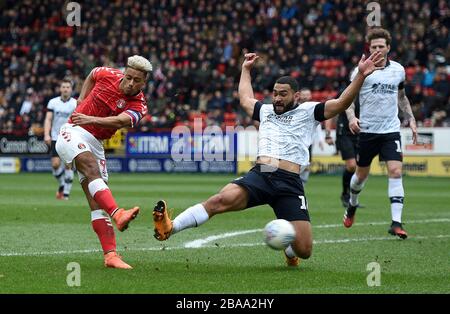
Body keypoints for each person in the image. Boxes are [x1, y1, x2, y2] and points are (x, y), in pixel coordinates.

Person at [152, 51, 384, 266]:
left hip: (290, 183)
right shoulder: (266, 111)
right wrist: (245, 69)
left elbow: (342, 103)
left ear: (295, 95)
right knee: (219, 201)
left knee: (304, 250)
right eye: (274, 93)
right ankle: (169, 228)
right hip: (263, 173)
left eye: (283, 94)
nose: (277, 99)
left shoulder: (309, 111)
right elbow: (245, 98)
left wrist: (361, 75)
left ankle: (289, 250)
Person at [56, 55, 151, 269]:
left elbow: (119, 121)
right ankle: (118, 214)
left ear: (144, 82)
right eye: (128, 77)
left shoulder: (140, 105)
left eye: (137, 80)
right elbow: (91, 74)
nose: (130, 83)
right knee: (92, 171)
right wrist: (81, 100)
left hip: (96, 141)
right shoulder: (108, 73)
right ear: (124, 72)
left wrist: (91, 119)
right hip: (73, 131)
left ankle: (111, 255)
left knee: (97, 202)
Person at [343, 28, 418, 239]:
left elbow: (402, 98)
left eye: (381, 46)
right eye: (373, 46)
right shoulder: (361, 71)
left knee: (395, 171)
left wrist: (411, 118)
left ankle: (396, 223)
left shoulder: (398, 70)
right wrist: (351, 118)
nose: (377, 49)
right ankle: (352, 204)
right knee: (360, 176)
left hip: (390, 131)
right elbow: (346, 99)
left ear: (388, 48)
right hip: (367, 132)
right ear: (369, 48)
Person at [44, 79, 77, 200]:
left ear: (71, 89)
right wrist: (46, 134)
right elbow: (48, 119)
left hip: (70, 138)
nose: (65, 89)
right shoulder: (53, 102)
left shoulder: (75, 103)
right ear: (60, 89)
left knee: (68, 165)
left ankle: (66, 194)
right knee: (55, 164)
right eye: (63, 87)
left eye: (68, 87)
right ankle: (63, 184)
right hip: (55, 137)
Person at [324, 100, 361, 208]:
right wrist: (328, 133)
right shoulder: (344, 92)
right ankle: (345, 194)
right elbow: (330, 112)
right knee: (352, 166)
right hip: (344, 133)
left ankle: (353, 199)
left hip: (359, 133)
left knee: (358, 169)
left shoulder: (367, 92)